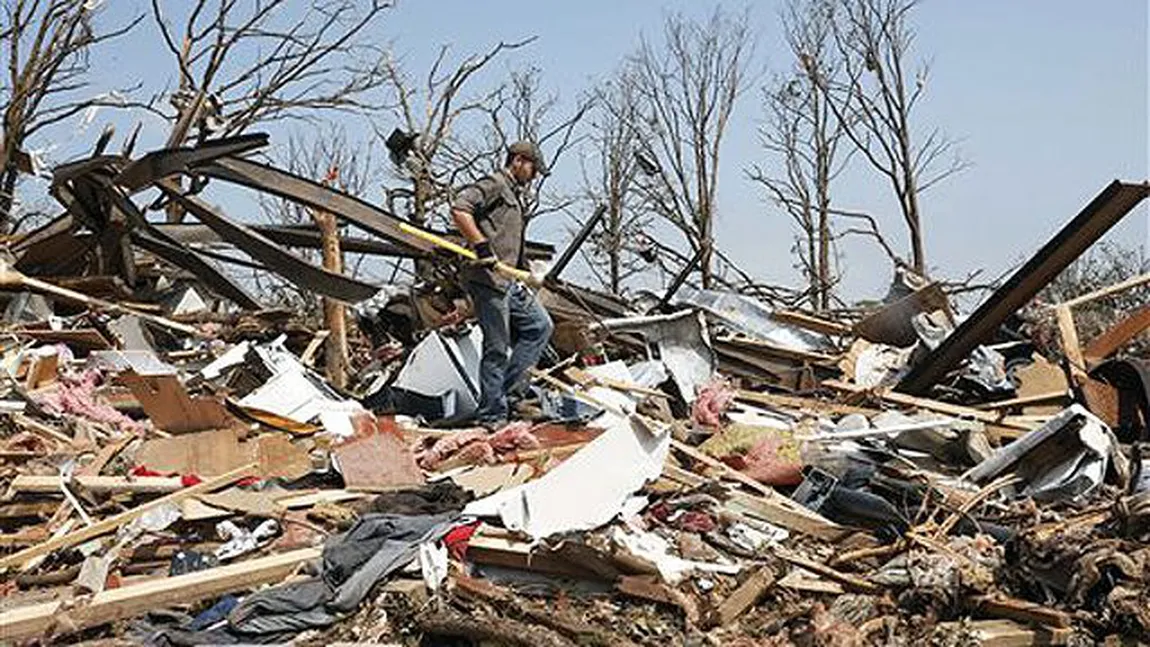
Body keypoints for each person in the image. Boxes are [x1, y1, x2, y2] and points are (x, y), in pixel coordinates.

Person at [451, 141, 554, 428]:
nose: (533, 176)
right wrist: (481, 247)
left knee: (540, 326)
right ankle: (492, 415)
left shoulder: (514, 195)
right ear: (519, 161)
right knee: (496, 348)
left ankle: (513, 398)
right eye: (533, 169)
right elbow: (460, 209)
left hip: (509, 280)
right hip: (487, 280)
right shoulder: (494, 184)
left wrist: (527, 270)